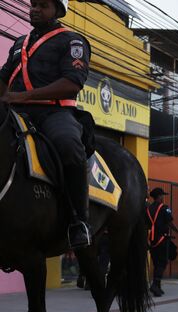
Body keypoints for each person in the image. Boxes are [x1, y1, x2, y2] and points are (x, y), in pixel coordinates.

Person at [0, 0, 92, 248]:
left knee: (69, 147)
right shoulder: (20, 44)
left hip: (55, 113)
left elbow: (72, 83)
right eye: (33, 4)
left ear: (58, 10)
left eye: (42, 5)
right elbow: (4, 79)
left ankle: (79, 221)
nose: (34, 9)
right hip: (18, 112)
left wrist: (20, 96)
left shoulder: (72, 41)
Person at [146, 188, 178, 297]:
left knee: (156, 262)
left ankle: (158, 286)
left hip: (152, 239)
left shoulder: (148, 209)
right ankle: (154, 285)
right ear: (159, 196)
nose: (163, 197)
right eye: (162, 195)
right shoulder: (164, 208)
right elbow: (170, 223)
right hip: (162, 239)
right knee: (163, 262)